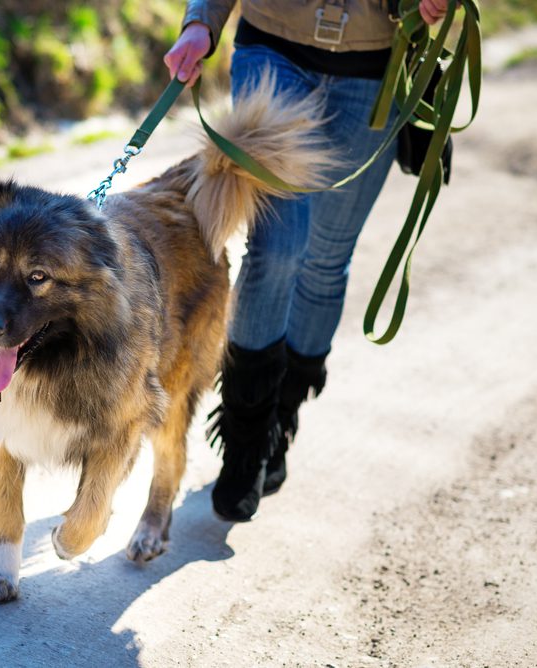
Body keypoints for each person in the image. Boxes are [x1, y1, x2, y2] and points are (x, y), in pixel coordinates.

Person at [165, 0, 449, 522]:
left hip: (374, 73)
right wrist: (200, 24)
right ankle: (245, 443)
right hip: (273, 52)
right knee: (278, 249)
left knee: (325, 261)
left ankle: (282, 418)